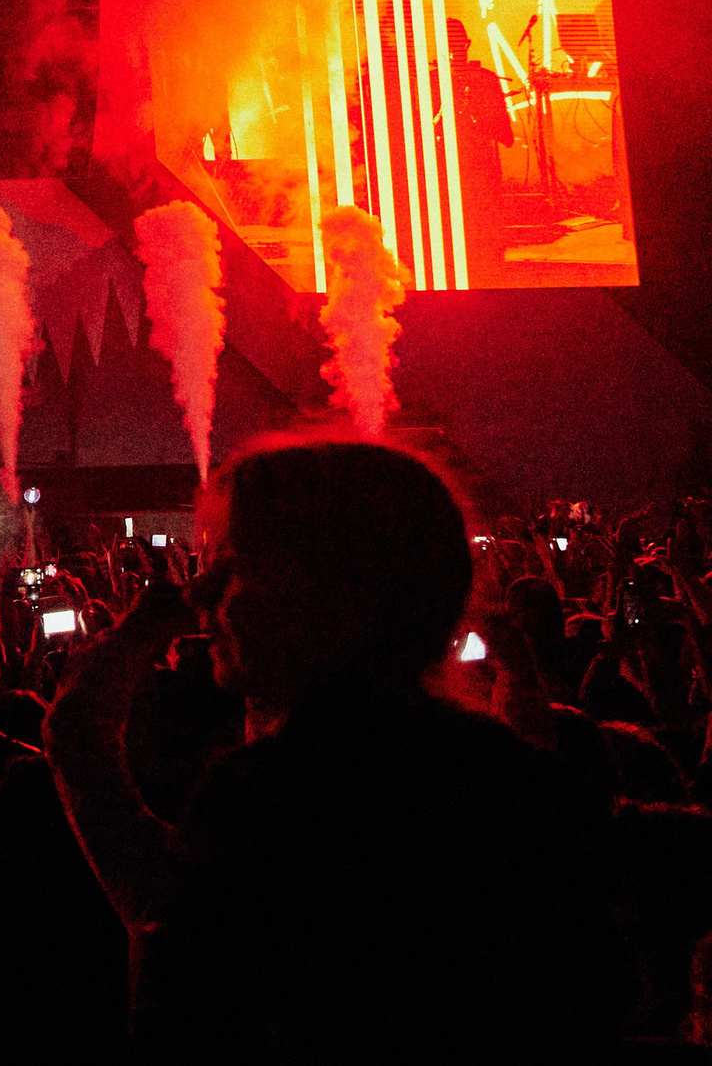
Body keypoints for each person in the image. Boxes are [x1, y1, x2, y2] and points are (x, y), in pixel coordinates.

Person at [47, 434, 626, 1060]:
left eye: (233, 563)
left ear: (316, 590)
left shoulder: (268, 804)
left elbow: (181, 1007)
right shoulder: (529, 788)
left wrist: (134, 638)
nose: (202, 592)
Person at [446, 16, 516, 282]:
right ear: (467, 44)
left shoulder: (429, 81)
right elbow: (505, 134)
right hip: (478, 169)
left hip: (451, 172)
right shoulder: (485, 80)